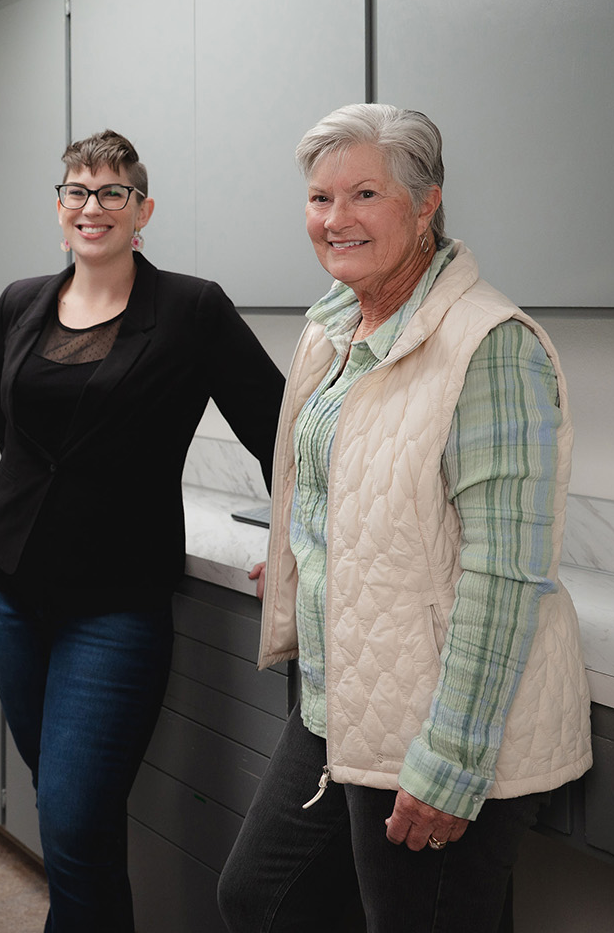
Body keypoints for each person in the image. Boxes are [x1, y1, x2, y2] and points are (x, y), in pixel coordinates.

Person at [216, 104, 591, 932]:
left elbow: (504, 569)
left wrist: (451, 760)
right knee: (256, 899)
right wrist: (307, 555)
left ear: (426, 205)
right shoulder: (337, 326)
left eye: (364, 195)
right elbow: (344, 485)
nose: (334, 220)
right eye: (319, 198)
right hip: (342, 690)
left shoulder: (489, 344)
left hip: (432, 712)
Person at [0, 130, 285, 932]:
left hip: (113, 605)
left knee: (75, 818)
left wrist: (300, 537)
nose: (93, 206)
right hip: (8, 588)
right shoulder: (21, 301)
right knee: (68, 813)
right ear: (58, 206)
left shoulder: (190, 308)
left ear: (143, 209)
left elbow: (282, 430)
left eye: (113, 192)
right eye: (78, 189)